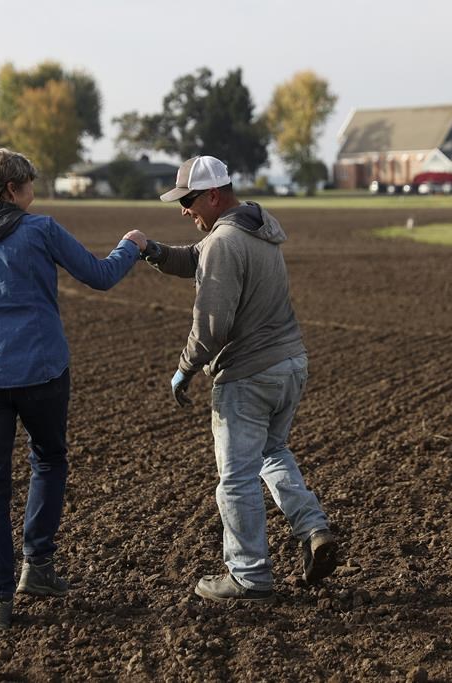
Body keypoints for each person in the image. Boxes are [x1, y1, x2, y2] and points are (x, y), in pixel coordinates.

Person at [0, 148, 147, 632]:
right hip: (42, 373)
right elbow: (100, 275)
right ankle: (38, 566)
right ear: (10, 191)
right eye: (28, 186)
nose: (33, 194)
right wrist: (131, 245)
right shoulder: (40, 230)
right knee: (48, 460)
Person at [145, 155, 338, 603]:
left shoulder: (223, 243)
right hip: (290, 364)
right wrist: (152, 251)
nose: (183, 210)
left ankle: (248, 574)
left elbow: (212, 324)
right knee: (272, 451)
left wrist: (184, 368)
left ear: (214, 195)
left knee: (235, 478)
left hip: (248, 375)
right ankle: (312, 528)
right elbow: (196, 258)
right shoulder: (257, 228)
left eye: (189, 200)